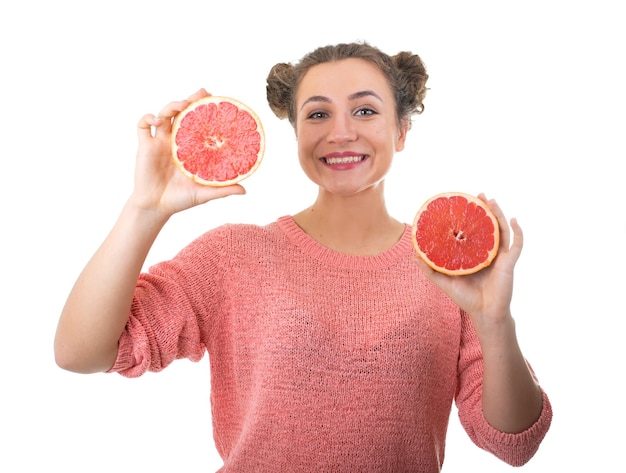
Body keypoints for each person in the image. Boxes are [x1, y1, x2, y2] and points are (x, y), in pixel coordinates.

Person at [54, 41, 552, 472]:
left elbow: (515, 443)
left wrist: (494, 320)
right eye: (317, 114)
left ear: (401, 132)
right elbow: (82, 353)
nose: (340, 133)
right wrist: (145, 208)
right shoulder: (235, 255)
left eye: (364, 110)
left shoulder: (452, 277)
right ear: (295, 133)